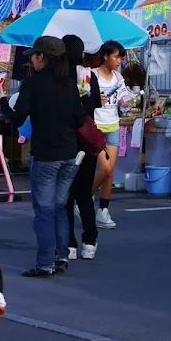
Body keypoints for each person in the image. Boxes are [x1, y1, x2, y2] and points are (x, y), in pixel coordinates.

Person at [3, 36, 82, 277]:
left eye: (35, 56)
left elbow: (17, 119)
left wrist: (3, 103)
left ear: (41, 57)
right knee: (60, 207)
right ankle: (61, 257)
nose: (33, 61)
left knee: (45, 210)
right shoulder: (69, 83)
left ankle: (45, 263)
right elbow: (79, 120)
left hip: (46, 154)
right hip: (70, 154)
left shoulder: (33, 84)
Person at [63, 35, 101, 262]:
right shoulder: (89, 76)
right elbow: (96, 105)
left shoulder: (59, 76)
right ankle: (90, 241)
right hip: (87, 140)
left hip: (66, 141)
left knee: (66, 195)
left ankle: (70, 243)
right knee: (85, 194)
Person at [92, 40, 128, 230]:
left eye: (120, 57)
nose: (119, 61)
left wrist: (126, 101)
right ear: (105, 56)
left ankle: (103, 210)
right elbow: (83, 98)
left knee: (110, 171)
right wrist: (96, 100)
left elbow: (123, 97)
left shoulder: (118, 77)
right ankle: (83, 198)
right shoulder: (93, 76)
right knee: (105, 169)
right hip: (96, 127)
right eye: (116, 57)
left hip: (113, 125)